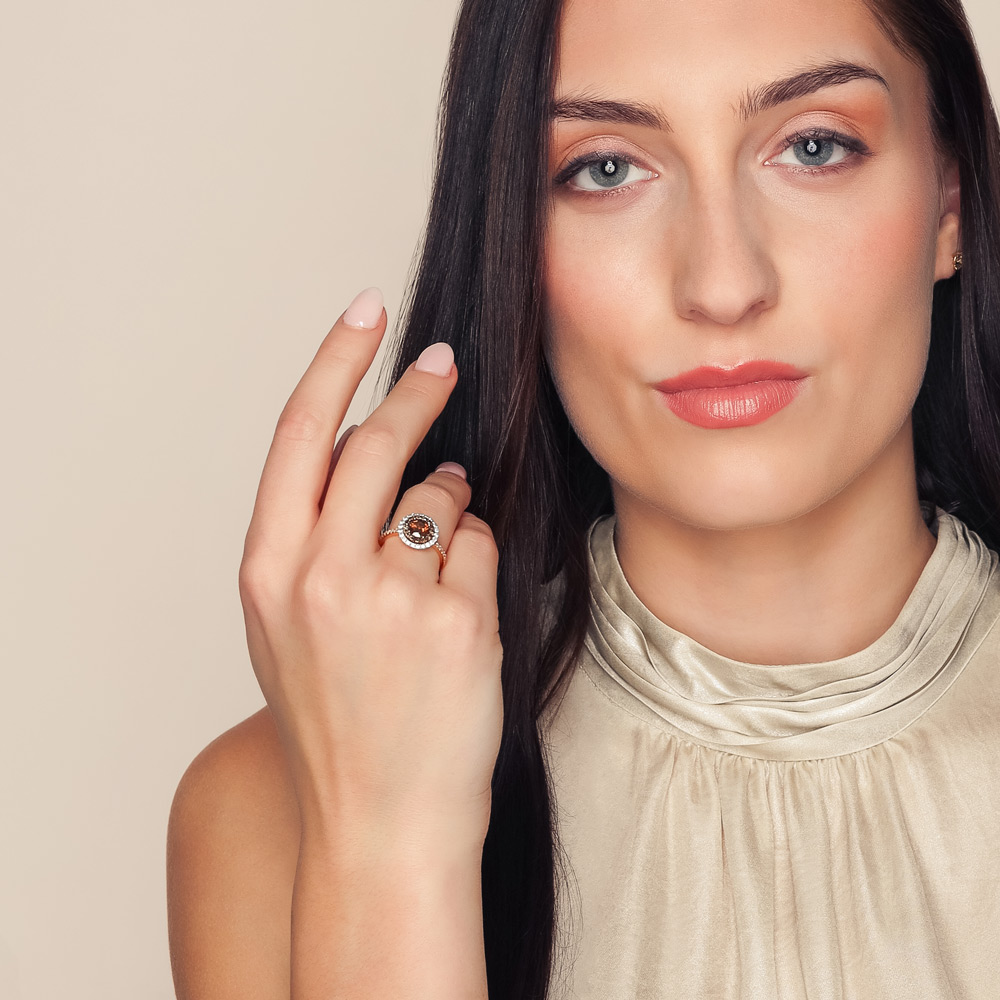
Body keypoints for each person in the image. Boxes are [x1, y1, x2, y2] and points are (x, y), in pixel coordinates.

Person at [166, 0, 1000, 996]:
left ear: (949, 204)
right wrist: (388, 845)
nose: (722, 282)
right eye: (604, 169)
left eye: (814, 146)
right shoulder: (282, 807)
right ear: (516, 240)